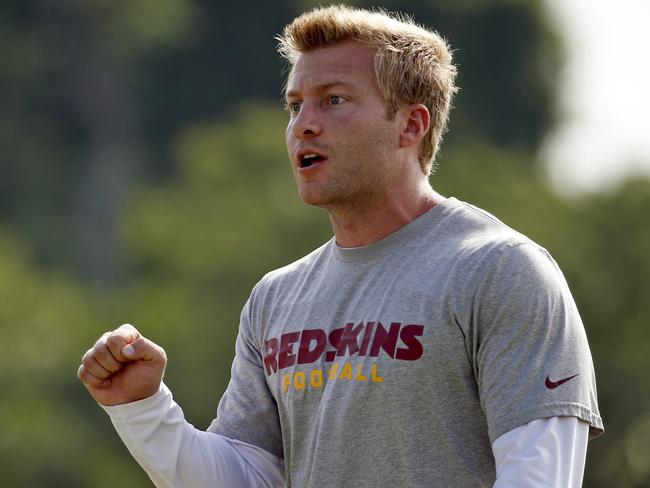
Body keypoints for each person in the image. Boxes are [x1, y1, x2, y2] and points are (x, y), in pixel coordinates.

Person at [77, 5, 603, 487]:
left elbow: (538, 477)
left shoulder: (503, 271)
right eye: (295, 105)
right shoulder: (274, 298)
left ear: (410, 125)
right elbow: (248, 479)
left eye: (334, 100)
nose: (304, 124)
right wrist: (142, 408)